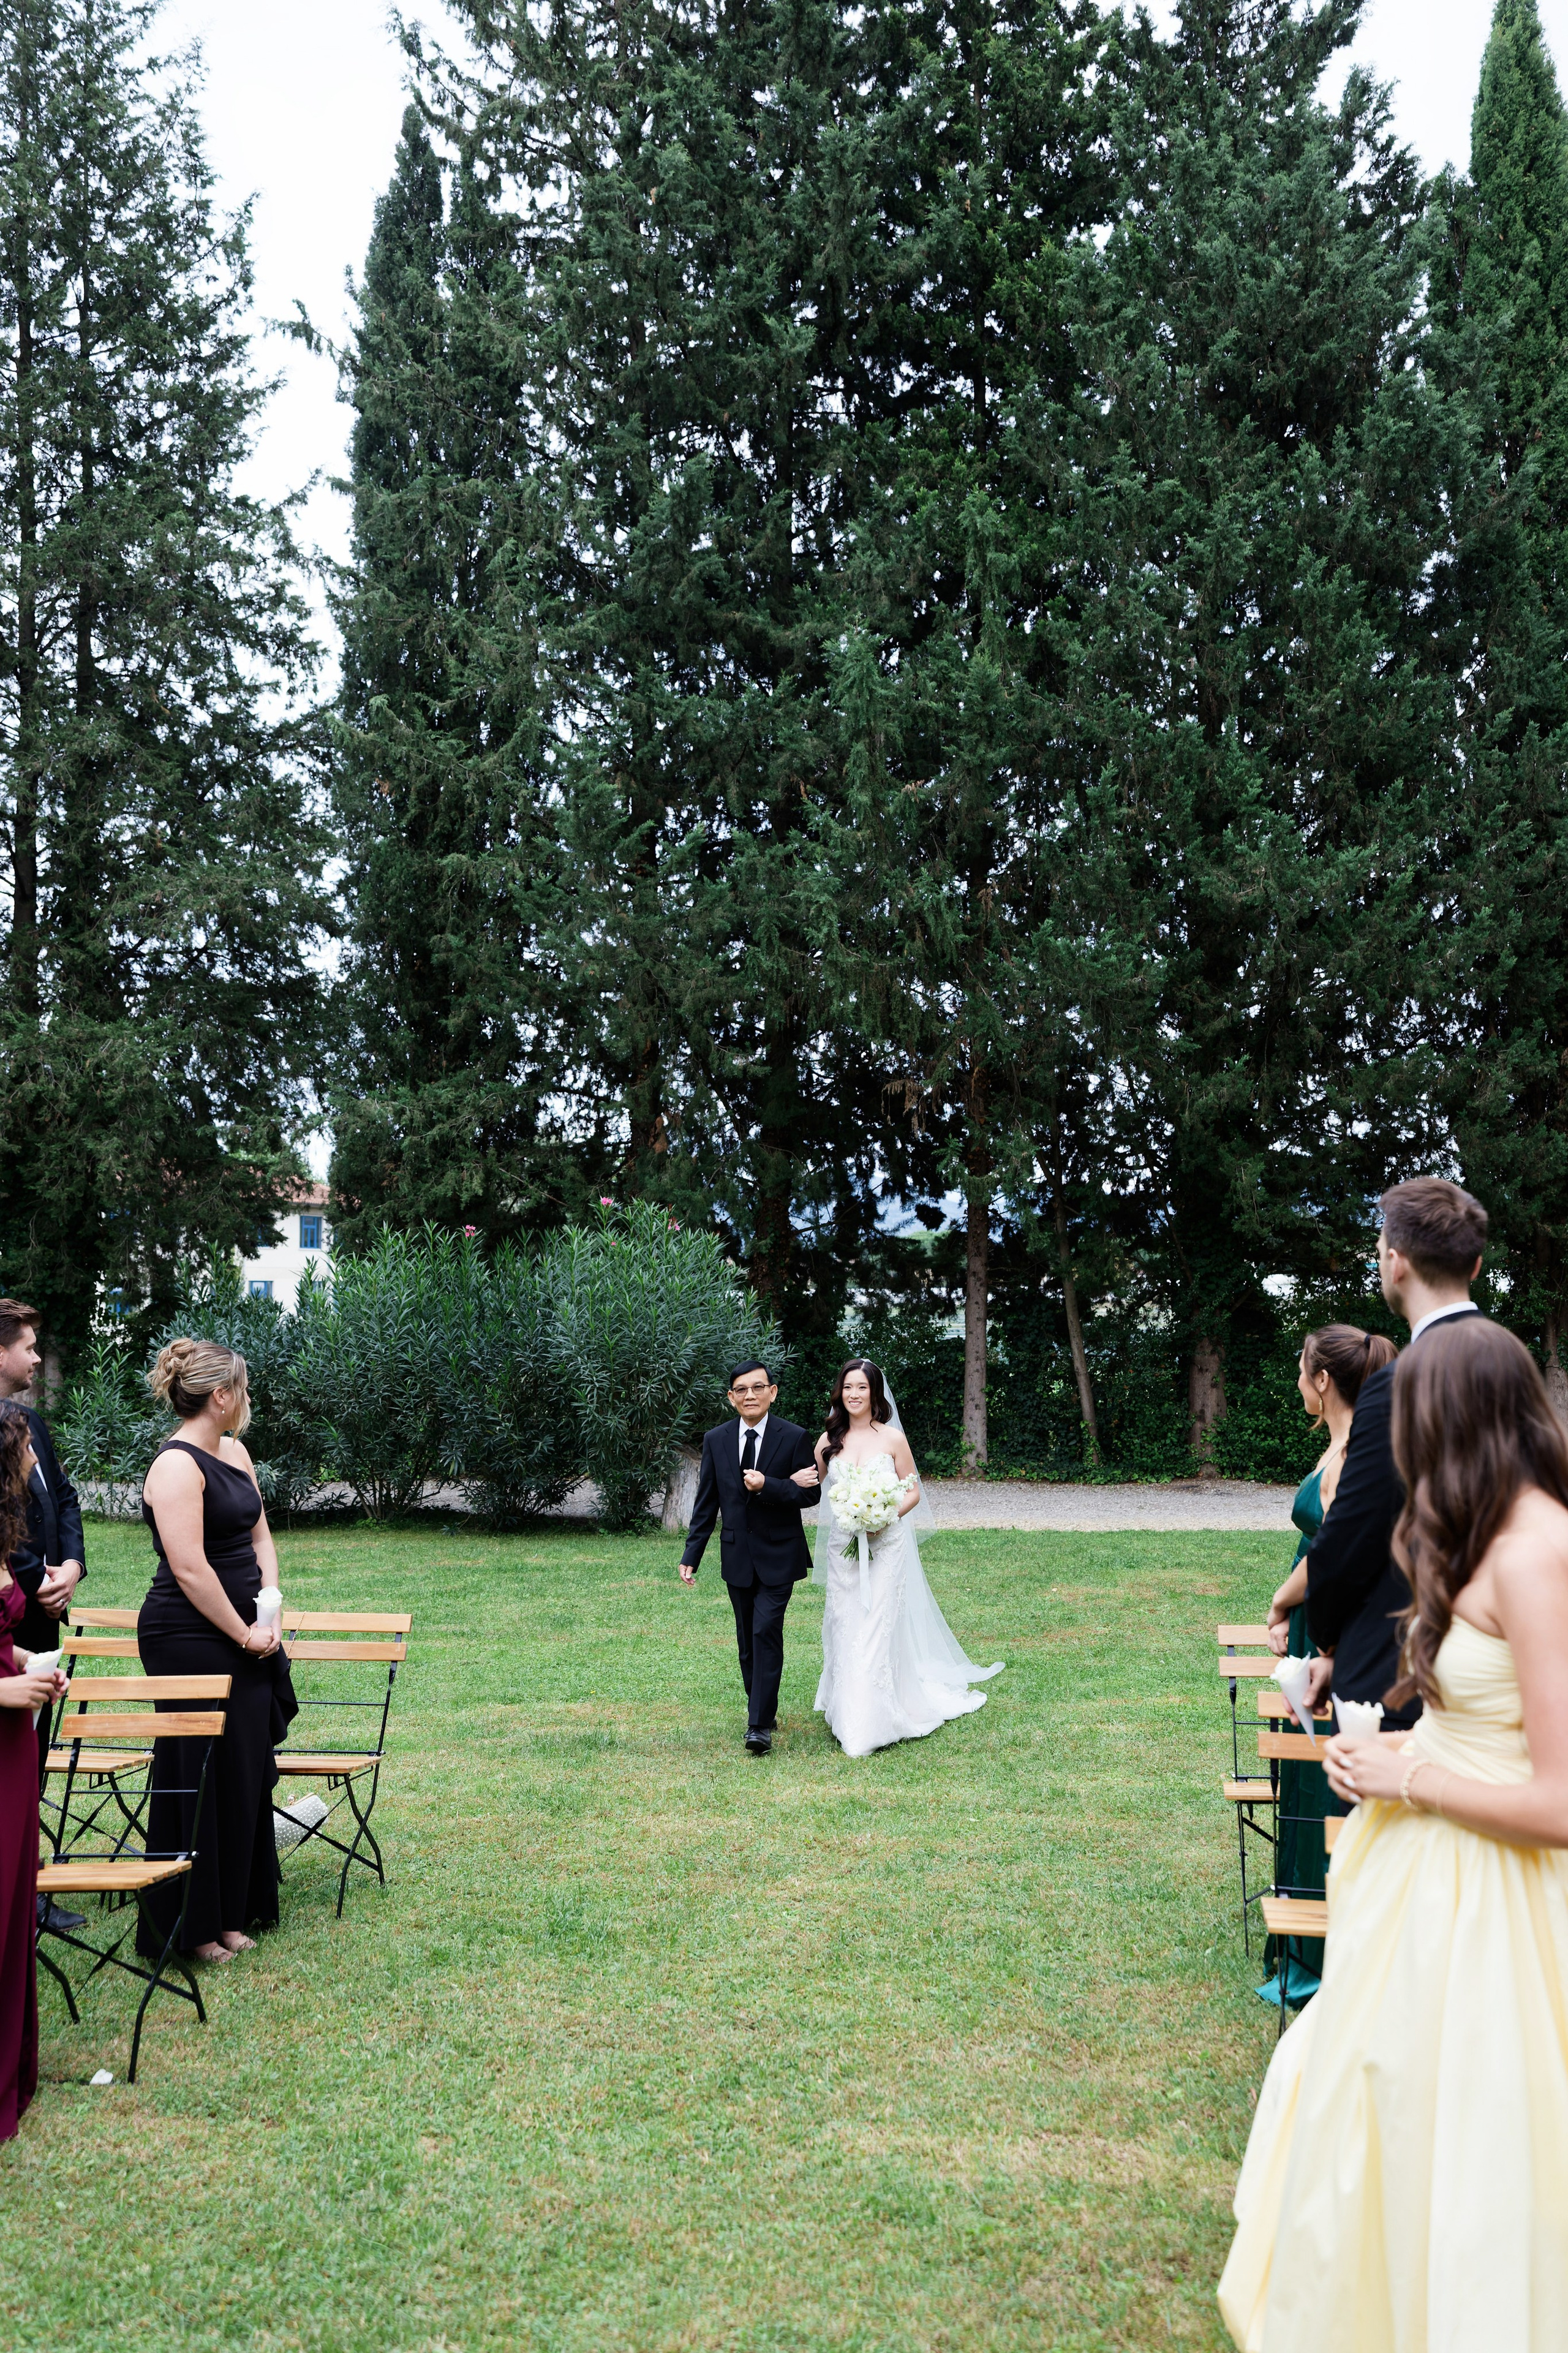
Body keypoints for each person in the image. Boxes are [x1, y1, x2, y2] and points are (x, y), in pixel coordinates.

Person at [1219, 1315, 1568, 2349]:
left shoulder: (1541, 1549)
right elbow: (1475, 1692)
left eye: (1405, 1418)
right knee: (1377, 2106)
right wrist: (1376, 1726)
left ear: (1455, 1416)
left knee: (1473, 2134)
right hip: (1423, 1874)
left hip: (1499, 1898)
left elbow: (1558, 1799)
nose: (1393, 1441)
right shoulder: (1483, 1529)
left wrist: (1409, 1777)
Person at [1302, 1177, 1487, 1731]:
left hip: (1400, 1668)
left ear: (1396, 1263)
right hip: (1489, 1657)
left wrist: (1327, 1636)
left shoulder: (1399, 1385)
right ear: (1474, 1267)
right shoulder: (1511, 1367)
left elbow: (1352, 1533)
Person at [137, 1340, 295, 1963]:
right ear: (221, 1396)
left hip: (247, 1629)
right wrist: (241, 1632)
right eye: (244, 1388)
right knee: (198, 1771)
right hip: (188, 1636)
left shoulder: (235, 1451)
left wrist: (271, 1608)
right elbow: (191, 1568)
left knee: (242, 1767)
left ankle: (233, 1910)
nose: (247, 1399)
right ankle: (191, 1925)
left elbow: (260, 1535)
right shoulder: (175, 1466)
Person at [1257, 1324, 1398, 2004]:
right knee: (1299, 1768)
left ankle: (1315, 1953)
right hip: (1314, 1613)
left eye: (1300, 1369)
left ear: (1322, 1382)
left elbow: (1334, 1555)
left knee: (1317, 1774)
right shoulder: (1340, 1445)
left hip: (1323, 1616)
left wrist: (1280, 1601)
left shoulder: (1351, 1456)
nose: (1295, 1380)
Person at [804, 1360, 1002, 1759]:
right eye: (848, 1387)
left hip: (886, 1545)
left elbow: (911, 1491)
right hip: (844, 1548)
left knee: (877, 1625)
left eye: (862, 1387)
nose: (854, 1394)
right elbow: (813, 1481)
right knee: (845, 1624)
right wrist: (776, 1482)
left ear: (875, 1393)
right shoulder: (829, 1439)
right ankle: (846, 1711)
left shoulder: (893, 1439)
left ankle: (868, 1725)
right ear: (840, 1393)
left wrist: (883, 1517)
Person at [677, 1361, 821, 1756]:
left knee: (765, 1632)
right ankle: (763, 1707)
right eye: (741, 1390)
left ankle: (758, 1725)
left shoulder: (794, 1437)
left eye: (758, 1388)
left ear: (772, 1392)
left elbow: (811, 1495)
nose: (750, 1396)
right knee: (746, 1640)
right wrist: (693, 1553)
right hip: (737, 1555)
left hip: (781, 1554)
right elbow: (707, 1501)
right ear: (731, 1398)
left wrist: (768, 1485)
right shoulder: (717, 1439)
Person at [0, 1402, 67, 2140]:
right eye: (23, 1454)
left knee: (17, 1894)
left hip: (14, 1739)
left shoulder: (4, 1536)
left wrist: (29, 1664)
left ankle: (13, 2072)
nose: (35, 1465)